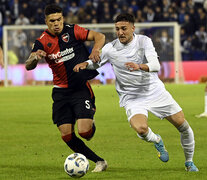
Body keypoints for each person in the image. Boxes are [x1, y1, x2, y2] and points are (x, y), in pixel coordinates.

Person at [73, 13, 198, 172]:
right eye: (117, 29)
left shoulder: (144, 41)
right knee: (141, 129)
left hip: (154, 91)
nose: (120, 32)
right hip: (132, 97)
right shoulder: (111, 48)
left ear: (133, 28)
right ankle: (157, 140)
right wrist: (85, 64)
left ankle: (189, 162)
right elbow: (95, 63)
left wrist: (140, 66)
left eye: (124, 28)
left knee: (183, 125)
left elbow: (155, 64)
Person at [25, 4, 107, 172]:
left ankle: (90, 121)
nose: (57, 23)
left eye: (59, 19)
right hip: (60, 92)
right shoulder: (41, 41)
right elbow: (28, 65)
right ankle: (99, 161)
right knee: (67, 135)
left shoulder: (73, 30)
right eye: (52, 21)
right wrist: (35, 58)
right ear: (46, 22)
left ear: (63, 18)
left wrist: (96, 49)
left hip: (80, 88)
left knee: (85, 132)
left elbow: (100, 36)